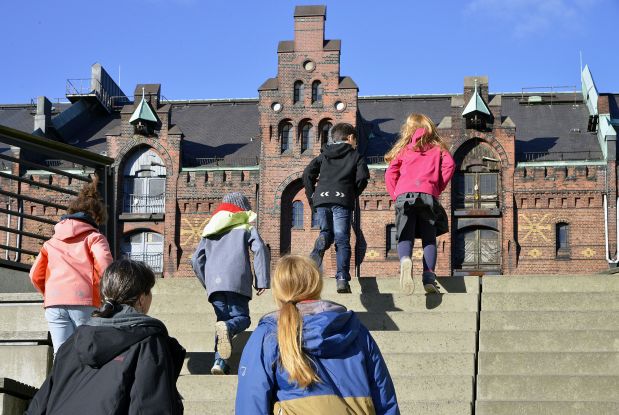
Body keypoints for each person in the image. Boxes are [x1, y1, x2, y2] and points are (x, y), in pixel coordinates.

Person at [236, 255, 399, 414]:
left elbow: (251, 401)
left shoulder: (268, 335)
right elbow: (384, 398)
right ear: (316, 284)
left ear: (278, 290)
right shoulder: (355, 330)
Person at [25, 259, 186, 415]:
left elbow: (39, 405)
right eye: (149, 291)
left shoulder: (72, 343)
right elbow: (150, 407)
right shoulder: (148, 342)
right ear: (141, 299)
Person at [29, 175, 113, 354]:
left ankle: (60, 382)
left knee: (61, 355)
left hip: (54, 302)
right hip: (85, 301)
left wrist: (51, 292)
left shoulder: (51, 242)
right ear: (96, 217)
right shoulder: (94, 238)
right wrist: (103, 293)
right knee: (85, 353)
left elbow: (34, 275)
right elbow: (105, 266)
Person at [191, 191, 270, 375]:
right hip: (237, 282)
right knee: (241, 319)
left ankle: (219, 362)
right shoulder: (245, 228)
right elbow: (259, 250)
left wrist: (208, 283)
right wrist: (262, 280)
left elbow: (195, 260)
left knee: (222, 320)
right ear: (242, 211)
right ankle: (228, 328)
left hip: (215, 286)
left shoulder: (209, 230)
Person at [384, 113, 455, 293]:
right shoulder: (438, 148)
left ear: (409, 129)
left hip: (403, 194)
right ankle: (429, 276)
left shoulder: (404, 149)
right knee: (429, 238)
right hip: (427, 194)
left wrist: (396, 194)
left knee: (404, 234)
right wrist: (437, 186)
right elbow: (450, 165)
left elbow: (390, 173)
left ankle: (405, 260)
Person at [303, 122, 369, 293]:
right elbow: (362, 178)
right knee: (342, 239)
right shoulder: (356, 155)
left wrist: (313, 196)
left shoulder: (324, 155)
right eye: (356, 140)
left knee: (326, 232)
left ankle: (322, 242)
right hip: (342, 200)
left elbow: (307, 173)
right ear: (351, 138)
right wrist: (351, 194)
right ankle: (342, 279)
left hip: (321, 199)